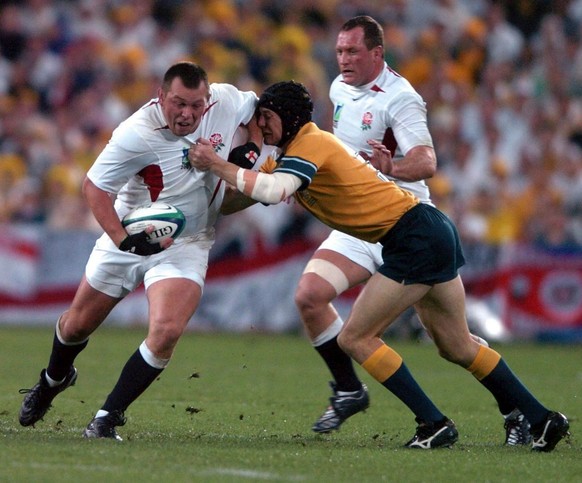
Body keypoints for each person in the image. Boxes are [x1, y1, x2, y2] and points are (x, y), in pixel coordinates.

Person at [188, 80, 569, 452]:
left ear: (286, 118)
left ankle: (433, 424)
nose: (260, 125)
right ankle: (541, 418)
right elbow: (239, 197)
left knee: (355, 337)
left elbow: (271, 190)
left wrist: (217, 162)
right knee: (456, 346)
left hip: (414, 237)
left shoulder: (311, 142)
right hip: (427, 232)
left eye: (266, 117)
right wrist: (209, 182)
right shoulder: (287, 154)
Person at [294, 15, 531, 446]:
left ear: (377, 53)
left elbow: (426, 162)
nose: (343, 60)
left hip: (404, 219)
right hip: (359, 222)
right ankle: (349, 390)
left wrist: (392, 167)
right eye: (340, 51)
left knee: (452, 344)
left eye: (353, 52)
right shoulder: (338, 87)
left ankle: (514, 409)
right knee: (310, 297)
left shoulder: (401, 98)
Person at [18, 61, 261, 441]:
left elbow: (259, 114)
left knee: (165, 332)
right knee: (75, 325)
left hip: (189, 242)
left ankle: (106, 418)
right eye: (179, 103)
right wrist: (121, 240)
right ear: (161, 96)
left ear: (208, 98)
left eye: (196, 106)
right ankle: (53, 380)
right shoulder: (136, 133)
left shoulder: (227, 101)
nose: (188, 114)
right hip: (130, 233)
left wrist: (250, 152)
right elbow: (94, 189)